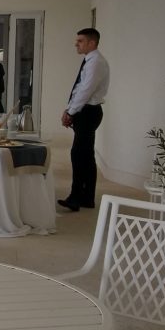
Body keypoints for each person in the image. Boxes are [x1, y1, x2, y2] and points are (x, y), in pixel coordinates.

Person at [59, 28, 110, 211]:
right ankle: (87, 198)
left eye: (80, 41)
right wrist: (70, 109)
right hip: (85, 111)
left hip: (88, 112)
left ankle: (76, 197)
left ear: (91, 43)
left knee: (79, 154)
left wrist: (71, 112)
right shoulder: (91, 60)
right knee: (86, 155)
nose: (76, 44)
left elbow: (86, 91)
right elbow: (79, 89)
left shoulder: (96, 62)